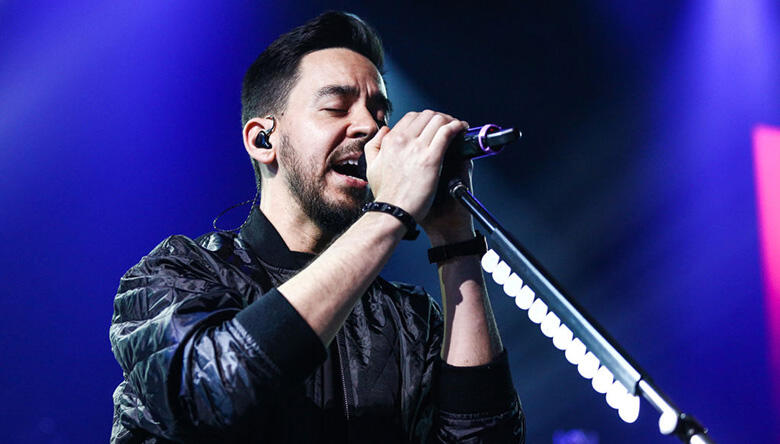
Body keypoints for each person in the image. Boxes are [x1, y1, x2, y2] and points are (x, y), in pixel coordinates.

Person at [109, 11, 525, 443]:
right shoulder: (174, 274)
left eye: (379, 113)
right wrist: (391, 210)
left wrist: (455, 241)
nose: (370, 127)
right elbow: (210, 395)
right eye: (336, 108)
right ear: (263, 140)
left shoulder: (408, 318)